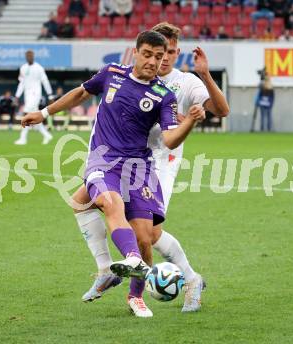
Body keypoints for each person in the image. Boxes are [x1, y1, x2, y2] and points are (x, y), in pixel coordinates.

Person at [21, 30, 206, 318]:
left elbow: (170, 141)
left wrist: (192, 121)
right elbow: (81, 92)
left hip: (139, 168)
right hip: (103, 161)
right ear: (135, 52)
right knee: (107, 202)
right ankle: (116, 264)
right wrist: (44, 113)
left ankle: (135, 294)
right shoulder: (111, 73)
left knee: (145, 238)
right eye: (148, 54)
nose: (153, 61)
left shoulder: (163, 95)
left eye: (159, 57)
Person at [72, 22, 229, 313]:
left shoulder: (185, 83)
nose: (163, 58)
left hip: (159, 164)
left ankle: (190, 279)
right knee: (82, 200)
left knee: (149, 236)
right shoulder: (127, 75)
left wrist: (205, 75)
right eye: (158, 52)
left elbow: (221, 111)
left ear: (176, 53)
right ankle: (106, 268)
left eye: (169, 52)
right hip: (120, 159)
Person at [14, 50, 53, 145]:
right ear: (26, 57)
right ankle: (47, 135)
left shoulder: (39, 68)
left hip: (35, 94)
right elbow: (21, 84)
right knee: (34, 116)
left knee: (27, 114)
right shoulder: (23, 68)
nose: (29, 57)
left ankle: (23, 138)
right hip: (27, 95)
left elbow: (45, 81)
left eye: (31, 56)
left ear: (33, 56)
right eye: (27, 56)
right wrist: (17, 96)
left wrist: (50, 94)